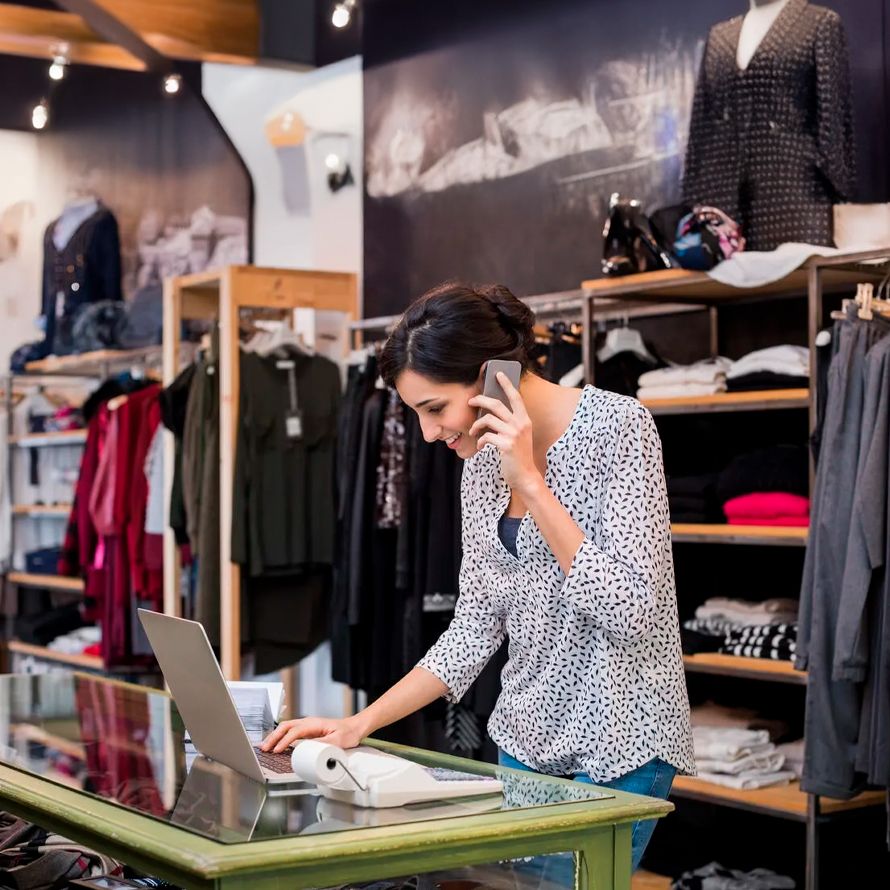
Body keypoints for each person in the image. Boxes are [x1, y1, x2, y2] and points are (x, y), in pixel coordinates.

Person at [262, 281, 695, 870]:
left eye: (435, 409)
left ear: (494, 378)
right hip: (524, 739)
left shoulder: (619, 428)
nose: (428, 433)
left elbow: (632, 611)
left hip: (620, 745)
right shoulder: (479, 468)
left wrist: (531, 484)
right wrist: (357, 724)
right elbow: (473, 630)